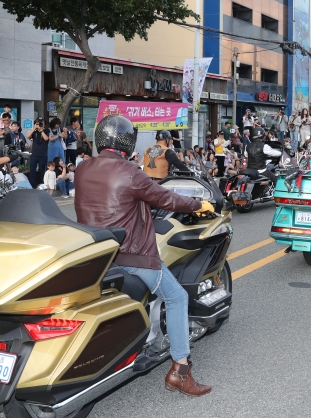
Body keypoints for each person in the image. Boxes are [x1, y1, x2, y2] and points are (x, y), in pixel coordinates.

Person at [74, 114, 213, 395]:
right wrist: (198, 204)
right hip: (131, 257)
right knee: (177, 297)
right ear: (127, 142)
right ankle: (181, 371)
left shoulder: (83, 169)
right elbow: (166, 199)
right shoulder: (129, 171)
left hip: (96, 255)